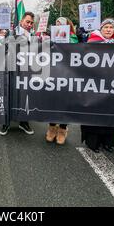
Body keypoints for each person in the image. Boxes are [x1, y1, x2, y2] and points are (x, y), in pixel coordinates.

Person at [81, 19, 114, 153]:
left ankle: (108, 142)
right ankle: (93, 142)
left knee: (110, 113)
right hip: (95, 83)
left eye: (111, 27)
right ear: (101, 29)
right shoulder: (92, 42)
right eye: (106, 27)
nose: (108, 29)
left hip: (112, 83)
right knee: (95, 113)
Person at [0, 12, 35, 136]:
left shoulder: (34, 36)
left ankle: (23, 121)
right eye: (27, 22)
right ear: (21, 21)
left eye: (31, 23)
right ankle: (6, 123)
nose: (29, 25)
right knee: (9, 95)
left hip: (26, 72)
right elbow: (3, 49)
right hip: (11, 71)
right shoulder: (11, 33)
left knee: (25, 96)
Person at [45, 17, 78, 145]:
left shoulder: (73, 38)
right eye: (57, 23)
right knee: (53, 100)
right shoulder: (51, 38)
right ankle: (52, 127)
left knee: (66, 102)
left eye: (61, 24)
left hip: (68, 73)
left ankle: (63, 129)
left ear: (67, 26)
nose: (58, 25)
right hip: (54, 72)